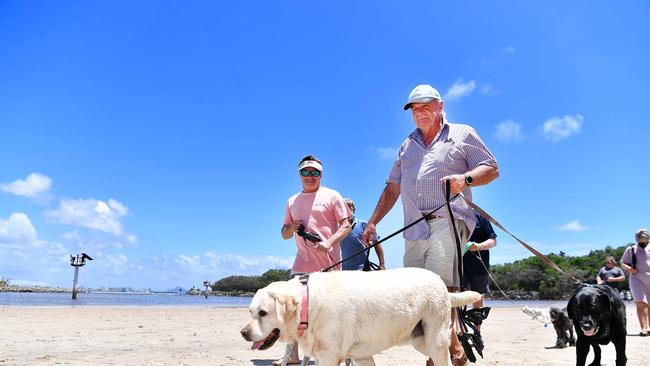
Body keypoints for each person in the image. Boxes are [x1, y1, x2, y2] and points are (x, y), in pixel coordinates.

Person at [362, 84, 499, 366]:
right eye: (414, 109)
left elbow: (491, 167)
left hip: (448, 220)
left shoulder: (462, 133)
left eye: (425, 106)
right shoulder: (406, 145)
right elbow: (392, 188)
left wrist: (467, 180)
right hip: (413, 227)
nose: (419, 113)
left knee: (439, 288)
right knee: (416, 292)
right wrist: (373, 222)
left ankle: (438, 357)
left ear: (440, 105)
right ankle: (453, 345)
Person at [276, 155, 352, 365]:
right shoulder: (292, 201)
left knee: (333, 315)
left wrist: (330, 241)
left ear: (321, 174)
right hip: (301, 265)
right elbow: (283, 233)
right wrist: (289, 228)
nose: (310, 176)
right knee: (294, 311)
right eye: (306, 172)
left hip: (330, 266)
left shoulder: (332, 195)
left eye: (315, 172)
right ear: (299, 174)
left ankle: (337, 354)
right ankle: (292, 357)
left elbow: (346, 226)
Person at [461, 212, 497, 333]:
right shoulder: (448, 214)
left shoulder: (480, 217)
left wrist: (478, 246)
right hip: (457, 265)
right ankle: (460, 332)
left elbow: (493, 241)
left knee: (477, 299)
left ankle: (477, 332)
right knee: (458, 298)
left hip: (479, 266)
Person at [340, 198, 386, 271]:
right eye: (345, 208)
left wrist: (382, 264)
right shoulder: (338, 229)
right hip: (344, 271)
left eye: (349, 207)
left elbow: (376, 243)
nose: (347, 210)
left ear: (353, 210)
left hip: (363, 269)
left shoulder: (363, 224)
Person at [620, 228, 650, 337]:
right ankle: (644, 329)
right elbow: (622, 263)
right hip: (636, 278)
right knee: (641, 303)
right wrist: (629, 268)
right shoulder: (631, 249)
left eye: (645, 240)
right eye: (641, 240)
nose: (643, 242)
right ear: (637, 239)